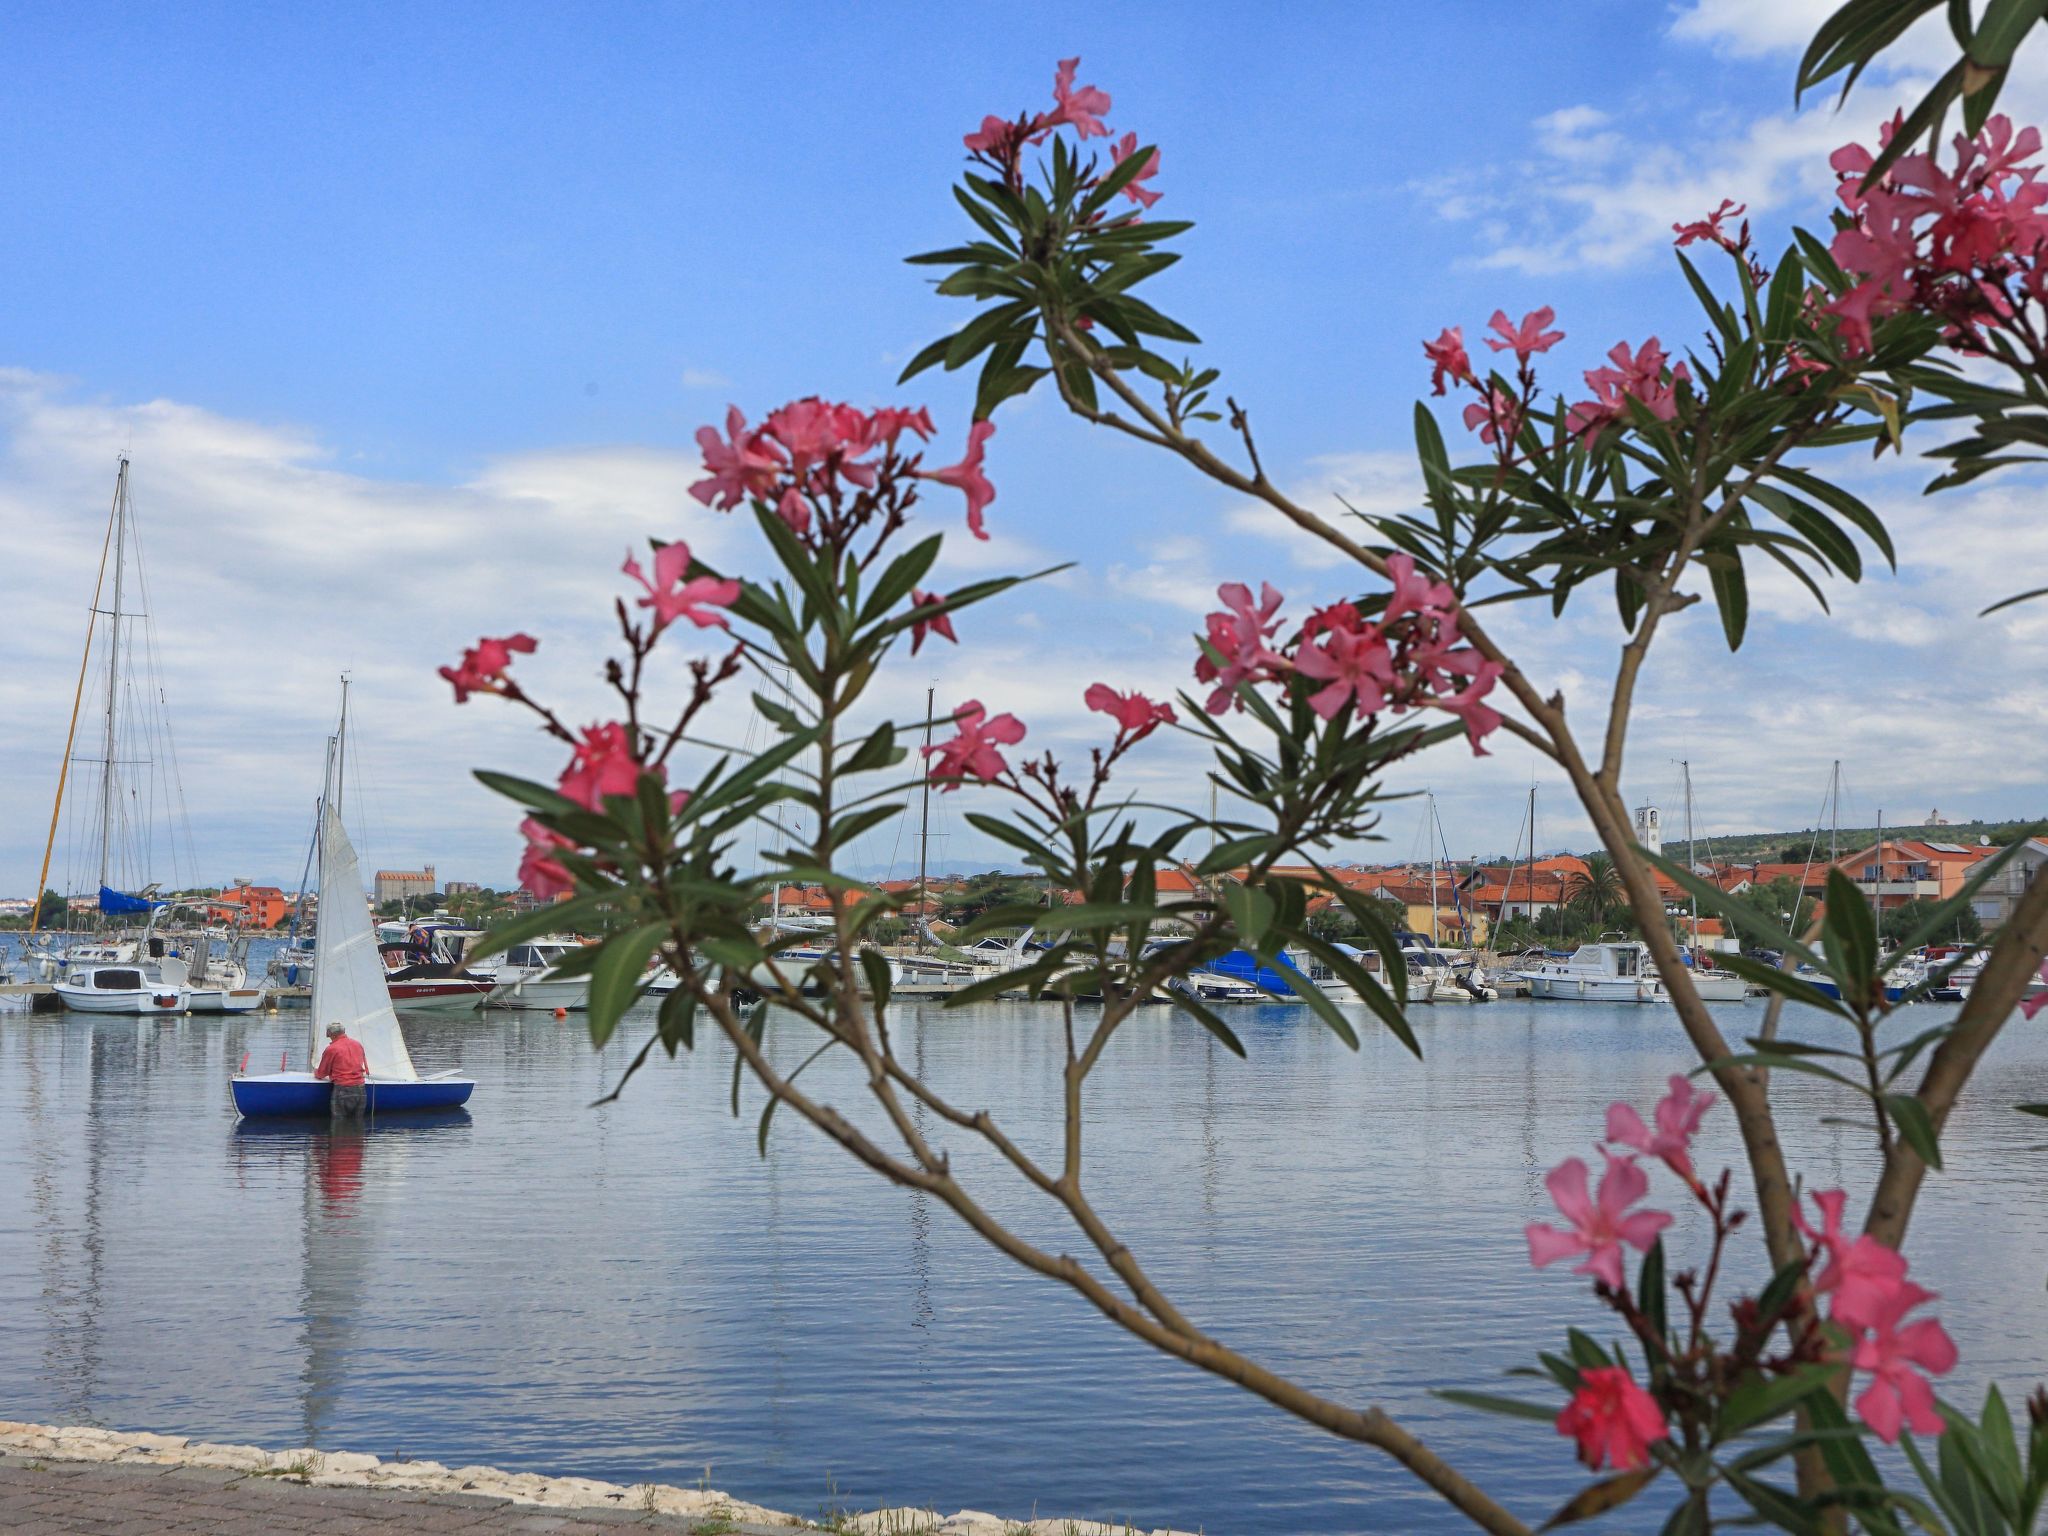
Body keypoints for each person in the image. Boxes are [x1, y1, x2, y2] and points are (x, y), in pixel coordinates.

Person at [314, 1021, 369, 1118]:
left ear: (329, 1033)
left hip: (342, 1089)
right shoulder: (358, 1044)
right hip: (361, 1089)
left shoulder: (331, 1049)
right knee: (358, 1121)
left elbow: (322, 1073)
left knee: (339, 1122)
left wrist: (315, 1072)